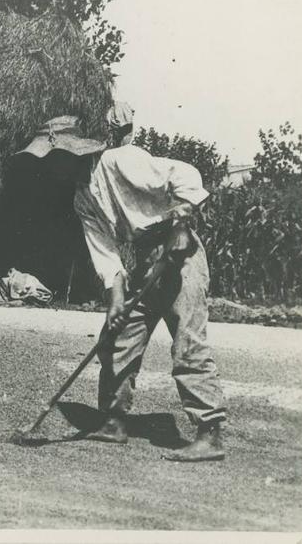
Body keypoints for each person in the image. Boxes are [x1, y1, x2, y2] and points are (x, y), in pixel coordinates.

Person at [73, 101, 227, 462]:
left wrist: (181, 223)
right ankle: (113, 421)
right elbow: (106, 255)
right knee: (117, 336)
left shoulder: (119, 160)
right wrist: (115, 300)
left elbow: (185, 173)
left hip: (180, 252)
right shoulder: (81, 199)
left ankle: (210, 433)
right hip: (148, 261)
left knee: (187, 342)